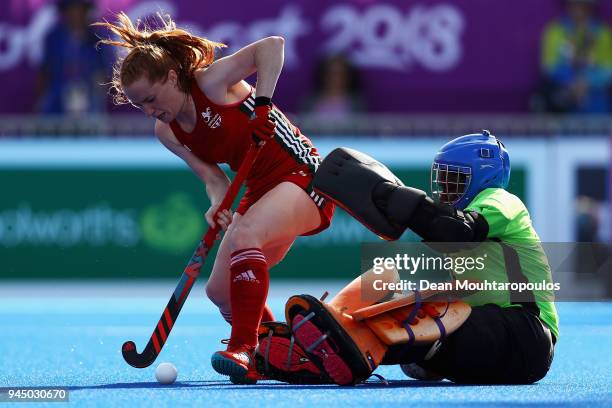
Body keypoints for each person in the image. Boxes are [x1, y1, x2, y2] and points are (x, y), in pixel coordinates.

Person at [94, 12, 334, 383]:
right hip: (258, 191)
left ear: (173, 77)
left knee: (244, 236)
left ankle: (243, 349)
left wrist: (265, 104)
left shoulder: (211, 82)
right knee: (220, 292)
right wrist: (219, 206)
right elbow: (213, 178)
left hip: (304, 177)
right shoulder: (167, 131)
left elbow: (272, 47)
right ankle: (272, 349)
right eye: (140, 105)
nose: (149, 111)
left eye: (152, 98)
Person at [257, 131, 558, 385]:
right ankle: (321, 352)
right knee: (393, 295)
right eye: (441, 179)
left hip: (528, 336)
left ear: (482, 177)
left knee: (417, 318)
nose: (444, 188)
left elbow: (457, 230)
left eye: (454, 178)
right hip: (496, 339)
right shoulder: (471, 221)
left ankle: (338, 342)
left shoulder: (500, 199)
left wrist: (392, 196)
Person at [533, 0, 612, 113]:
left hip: (597, 107)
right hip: (564, 105)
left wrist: (587, 82)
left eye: (583, 4)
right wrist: (572, 82)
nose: (578, 8)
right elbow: (549, 66)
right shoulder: (555, 31)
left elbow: (609, 69)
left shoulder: (603, 33)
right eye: (574, 3)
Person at [36, 0, 110, 115]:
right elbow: (45, 72)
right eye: (72, 9)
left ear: (86, 11)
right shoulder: (53, 38)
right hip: (57, 102)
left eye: (80, 9)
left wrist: (98, 91)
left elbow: (103, 74)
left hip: (89, 101)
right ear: (65, 12)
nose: (76, 14)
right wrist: (40, 102)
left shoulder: (98, 38)